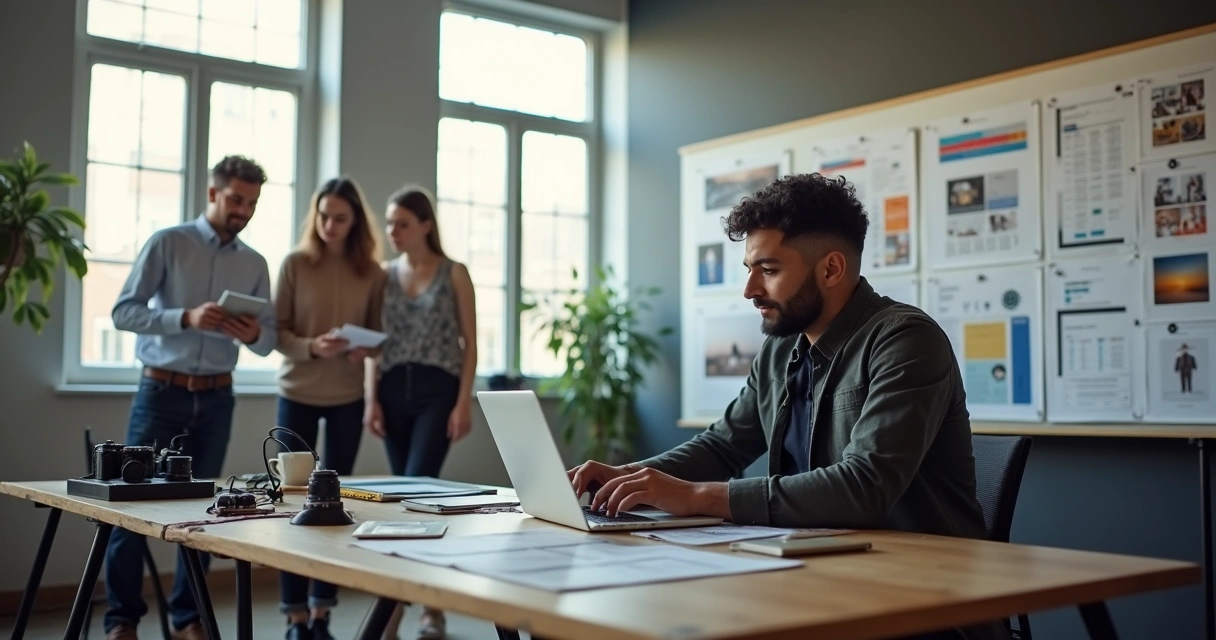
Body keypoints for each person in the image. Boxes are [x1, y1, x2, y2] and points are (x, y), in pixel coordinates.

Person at [568, 173, 1007, 640]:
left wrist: (697, 497)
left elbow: (864, 486)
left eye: (769, 270)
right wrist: (629, 479)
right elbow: (723, 446)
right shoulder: (781, 348)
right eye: (749, 269)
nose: (750, 289)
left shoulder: (905, 340)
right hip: (818, 579)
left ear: (831, 270)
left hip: (923, 604)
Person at [105, 156, 277, 640]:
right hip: (161, 391)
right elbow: (123, 312)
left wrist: (250, 333)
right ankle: (121, 621)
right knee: (132, 507)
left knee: (206, 511)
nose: (244, 210)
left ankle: (188, 618)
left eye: (253, 203)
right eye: (237, 199)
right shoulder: (168, 243)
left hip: (219, 397)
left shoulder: (255, 263)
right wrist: (185, 318)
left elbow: (268, 342)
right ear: (213, 194)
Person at [273, 177, 386, 640]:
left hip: (346, 399)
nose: (329, 225)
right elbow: (277, 334)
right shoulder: (295, 264)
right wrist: (313, 347)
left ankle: (322, 613)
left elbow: (379, 336)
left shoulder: (373, 273)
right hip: (297, 392)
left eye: (340, 218)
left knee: (333, 506)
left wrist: (364, 350)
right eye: (323, 216)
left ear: (355, 221)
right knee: (291, 503)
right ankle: (295, 615)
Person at [364, 186, 477, 640]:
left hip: (438, 392)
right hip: (391, 390)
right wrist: (370, 398)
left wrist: (463, 401)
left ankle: (424, 607)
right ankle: (404, 606)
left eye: (402, 223)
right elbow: (373, 343)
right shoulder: (383, 275)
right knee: (399, 502)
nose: (393, 231)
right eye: (390, 223)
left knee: (420, 493)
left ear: (426, 225)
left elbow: (470, 345)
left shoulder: (455, 273)